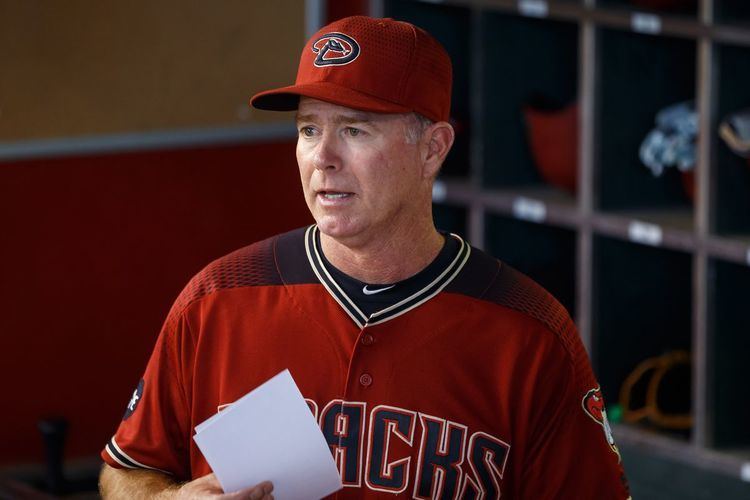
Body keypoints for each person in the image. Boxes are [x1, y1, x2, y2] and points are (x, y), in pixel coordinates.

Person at [99, 15, 631, 499]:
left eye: (354, 130)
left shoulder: (530, 334)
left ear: (432, 148)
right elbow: (124, 471)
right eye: (309, 129)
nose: (322, 159)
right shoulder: (218, 298)